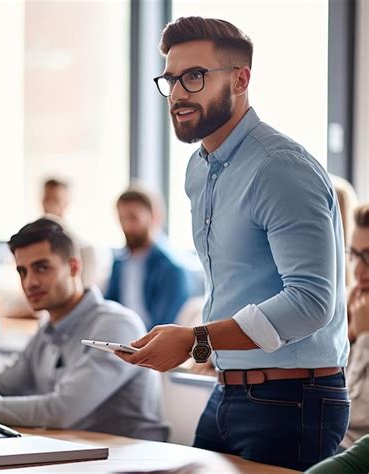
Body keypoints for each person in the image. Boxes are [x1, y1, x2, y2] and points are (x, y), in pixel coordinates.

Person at [116, 16, 349, 471]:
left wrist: (194, 339)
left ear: (241, 79)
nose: (178, 93)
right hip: (228, 390)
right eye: (171, 79)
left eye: (194, 77)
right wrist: (199, 348)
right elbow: (235, 290)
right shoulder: (199, 169)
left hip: (294, 400)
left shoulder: (280, 168)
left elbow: (311, 302)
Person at [0, 218, 168, 441]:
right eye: (22, 271)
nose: (29, 282)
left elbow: (61, 410)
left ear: (74, 267)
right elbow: (0, 384)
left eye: (41, 268)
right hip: (69, 456)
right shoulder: (47, 330)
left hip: (128, 461)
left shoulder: (116, 324)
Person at [105, 187, 190, 329]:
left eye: (133, 218)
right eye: (122, 218)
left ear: (154, 217)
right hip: (120, 334)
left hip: (151, 340)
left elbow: (165, 323)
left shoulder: (171, 268)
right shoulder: (119, 263)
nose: (126, 226)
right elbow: (109, 307)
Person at [342, 203, 369, 448]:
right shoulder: (351, 303)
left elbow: (356, 413)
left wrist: (364, 338)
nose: (358, 270)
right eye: (354, 254)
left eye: (368, 256)